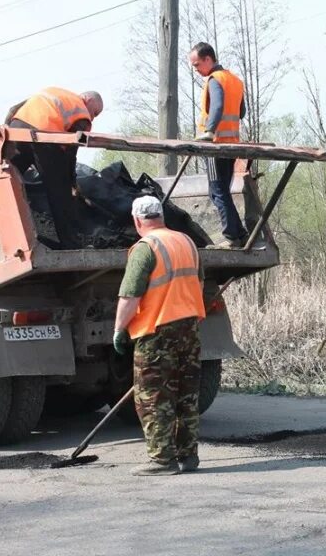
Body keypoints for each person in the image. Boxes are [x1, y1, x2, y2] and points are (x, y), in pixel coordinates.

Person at [113, 195, 207, 476]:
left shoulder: (145, 247)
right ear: (161, 216)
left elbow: (130, 295)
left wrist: (119, 329)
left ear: (137, 220)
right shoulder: (187, 242)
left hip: (157, 331)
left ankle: (162, 460)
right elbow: (198, 281)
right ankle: (188, 456)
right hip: (189, 327)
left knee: (153, 397)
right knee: (186, 394)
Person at [5, 87, 103, 249]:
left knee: (9, 178)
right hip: (44, 137)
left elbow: (13, 109)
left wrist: (7, 133)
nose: (93, 117)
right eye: (96, 112)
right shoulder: (80, 112)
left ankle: (5, 232)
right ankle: (71, 243)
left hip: (17, 128)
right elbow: (71, 150)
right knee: (59, 192)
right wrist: (71, 182)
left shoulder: (55, 93)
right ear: (88, 99)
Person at [188, 42, 249, 248]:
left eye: (197, 65)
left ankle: (232, 236)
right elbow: (241, 112)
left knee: (217, 191)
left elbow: (217, 106)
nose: (196, 70)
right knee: (222, 190)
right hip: (232, 145)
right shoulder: (235, 80)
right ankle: (239, 233)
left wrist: (209, 131)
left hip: (215, 145)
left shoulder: (215, 80)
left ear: (208, 59)